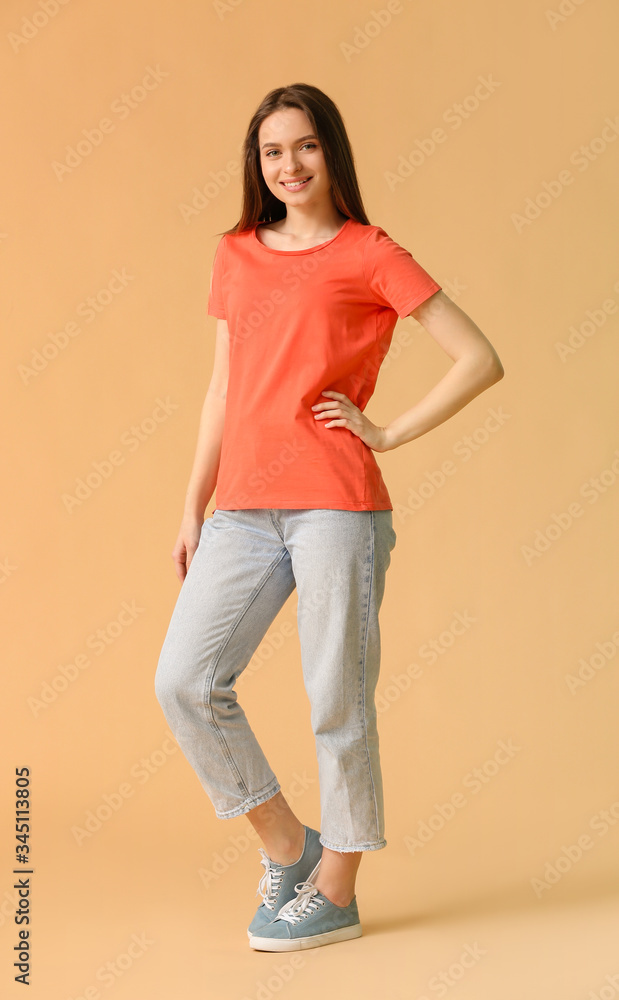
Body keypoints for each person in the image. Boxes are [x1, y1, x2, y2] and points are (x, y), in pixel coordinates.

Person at [154, 82, 504, 953]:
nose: (288, 166)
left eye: (304, 147)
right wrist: (192, 505)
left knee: (334, 699)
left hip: (334, 506)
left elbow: (478, 357)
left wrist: (385, 431)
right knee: (185, 683)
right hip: (240, 508)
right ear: (257, 164)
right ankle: (288, 846)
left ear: (330, 152)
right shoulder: (236, 255)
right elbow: (222, 389)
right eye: (272, 152)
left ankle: (338, 887)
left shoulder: (368, 252)